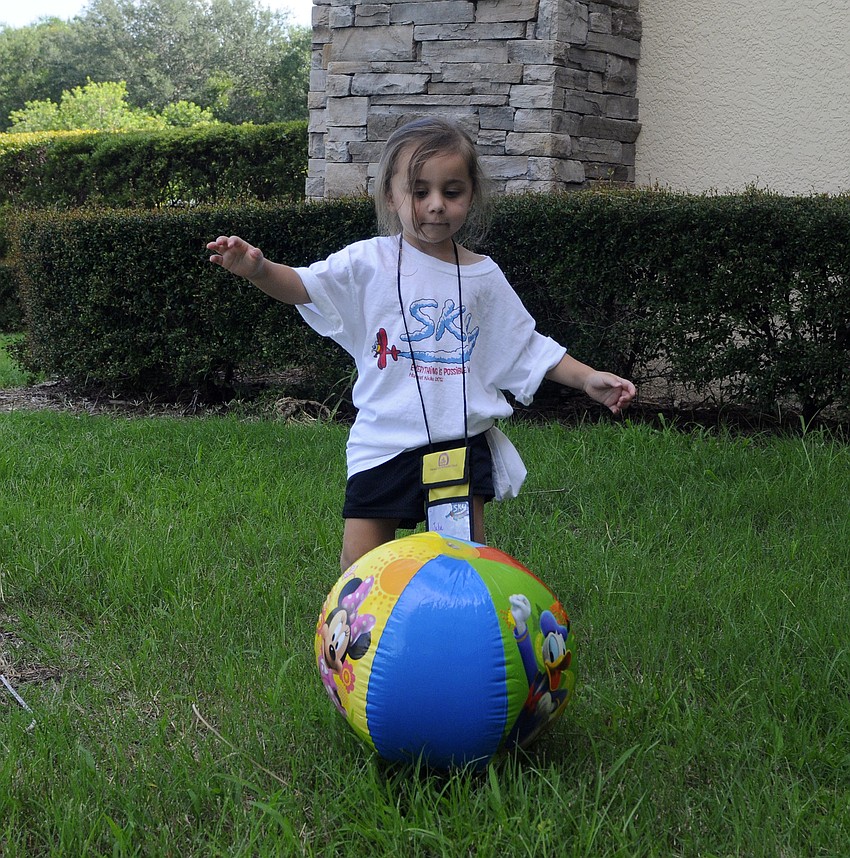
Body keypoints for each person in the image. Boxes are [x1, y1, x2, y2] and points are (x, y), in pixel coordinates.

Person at [207, 117, 635, 571]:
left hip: (458, 447)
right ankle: (356, 640)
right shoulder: (367, 262)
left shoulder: (483, 277)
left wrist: (588, 378)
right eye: (419, 191)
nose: (435, 205)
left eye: (451, 192)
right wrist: (258, 269)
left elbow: (526, 346)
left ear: (471, 195)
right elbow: (304, 286)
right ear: (391, 195)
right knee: (361, 566)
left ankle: (458, 635)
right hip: (382, 443)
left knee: (463, 568)